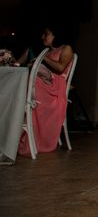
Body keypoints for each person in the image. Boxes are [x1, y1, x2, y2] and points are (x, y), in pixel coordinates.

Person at [18, 23, 74, 155]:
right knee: (30, 76)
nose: (43, 37)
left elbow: (60, 68)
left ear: (55, 35)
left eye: (46, 34)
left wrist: (42, 59)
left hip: (55, 87)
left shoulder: (66, 48)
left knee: (33, 79)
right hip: (45, 84)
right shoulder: (48, 51)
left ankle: (23, 101)